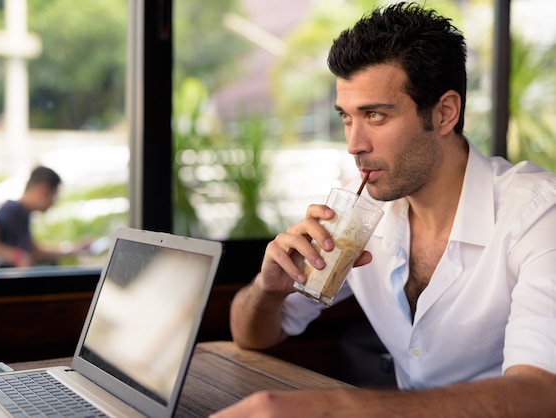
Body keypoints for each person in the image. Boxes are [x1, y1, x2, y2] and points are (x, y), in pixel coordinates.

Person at [213, 2, 556, 417]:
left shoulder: (539, 215)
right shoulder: (356, 211)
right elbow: (253, 336)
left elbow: (541, 394)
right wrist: (267, 291)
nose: (354, 144)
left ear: (445, 113)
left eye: (375, 115)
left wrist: (338, 406)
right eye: (346, 117)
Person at [0, 165, 75, 268]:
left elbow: (35, 251)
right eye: (54, 195)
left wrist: (73, 250)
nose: (54, 202)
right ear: (42, 191)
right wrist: (15, 256)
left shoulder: (23, 215)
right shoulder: (13, 211)